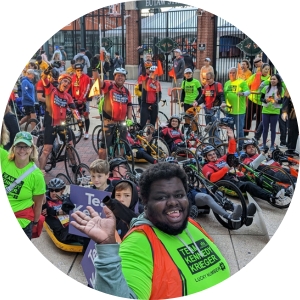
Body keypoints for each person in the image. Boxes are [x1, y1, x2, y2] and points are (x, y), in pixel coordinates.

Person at [71, 163, 231, 298]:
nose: (173, 202)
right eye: (161, 197)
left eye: (179, 195)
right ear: (146, 203)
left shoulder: (191, 224)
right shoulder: (138, 242)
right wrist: (107, 249)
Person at [201, 127, 289, 206]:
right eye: (210, 155)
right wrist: (225, 168)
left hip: (235, 177)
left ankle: (280, 190)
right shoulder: (207, 167)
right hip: (226, 182)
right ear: (206, 157)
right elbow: (212, 178)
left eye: (214, 154)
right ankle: (271, 197)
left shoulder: (221, 159)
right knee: (248, 185)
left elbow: (231, 151)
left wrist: (232, 137)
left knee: (256, 177)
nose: (213, 156)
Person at [1, 132, 45, 239]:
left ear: (31, 149)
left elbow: (38, 204)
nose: (22, 150)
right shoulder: (4, 158)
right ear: (14, 147)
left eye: (26, 147)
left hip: (21, 221)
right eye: (19, 146)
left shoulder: (36, 175)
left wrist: (34, 223)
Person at [38, 68, 83, 172]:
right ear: (60, 81)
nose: (66, 84)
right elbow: (44, 79)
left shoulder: (68, 96)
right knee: (46, 150)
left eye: (68, 82)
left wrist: (79, 120)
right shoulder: (51, 90)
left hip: (62, 124)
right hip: (51, 124)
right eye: (65, 81)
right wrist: (45, 73)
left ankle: (74, 166)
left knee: (70, 146)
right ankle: (40, 172)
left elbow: (74, 109)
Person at [91, 56, 132, 160]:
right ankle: (101, 167)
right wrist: (94, 69)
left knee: (122, 143)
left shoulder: (127, 92)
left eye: (122, 76)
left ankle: (119, 162)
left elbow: (129, 106)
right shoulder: (109, 86)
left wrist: (130, 120)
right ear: (114, 77)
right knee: (104, 146)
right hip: (109, 121)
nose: (120, 77)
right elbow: (97, 81)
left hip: (121, 122)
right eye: (118, 75)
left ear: (125, 78)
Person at [42, 178, 90, 250]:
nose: (54, 193)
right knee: (83, 236)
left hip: (72, 225)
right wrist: (58, 211)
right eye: (51, 190)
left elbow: (74, 206)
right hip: (63, 232)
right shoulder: (46, 201)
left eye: (57, 190)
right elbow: (48, 210)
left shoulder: (65, 199)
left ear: (62, 190)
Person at [223, 67, 250, 150]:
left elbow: (248, 92)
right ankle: (231, 146)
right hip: (229, 111)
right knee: (229, 131)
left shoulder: (242, 82)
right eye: (230, 73)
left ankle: (241, 147)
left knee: (239, 131)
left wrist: (242, 93)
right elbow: (224, 95)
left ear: (237, 73)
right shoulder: (227, 83)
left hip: (239, 111)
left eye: (233, 72)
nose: (231, 74)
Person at [245, 63, 271, 138]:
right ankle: (245, 133)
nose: (266, 70)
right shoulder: (255, 75)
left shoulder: (270, 78)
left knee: (260, 119)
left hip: (262, 102)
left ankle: (257, 135)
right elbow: (246, 83)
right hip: (252, 100)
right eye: (265, 69)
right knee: (248, 117)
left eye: (268, 69)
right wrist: (248, 91)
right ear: (261, 69)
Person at [259, 74, 284, 151]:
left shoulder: (281, 89)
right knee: (265, 128)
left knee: (273, 129)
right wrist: (265, 100)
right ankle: (264, 145)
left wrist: (277, 101)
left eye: (274, 79)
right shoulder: (266, 88)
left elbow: (282, 101)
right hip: (265, 110)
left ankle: (272, 145)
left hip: (275, 111)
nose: (272, 81)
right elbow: (261, 98)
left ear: (278, 80)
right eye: (271, 79)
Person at [197, 71, 224, 137]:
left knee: (215, 127)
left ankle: (217, 144)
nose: (206, 81)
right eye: (205, 79)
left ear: (212, 78)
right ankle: (210, 143)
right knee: (208, 127)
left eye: (208, 79)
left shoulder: (218, 85)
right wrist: (197, 102)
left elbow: (221, 95)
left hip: (214, 109)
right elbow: (203, 97)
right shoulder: (206, 86)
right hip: (207, 109)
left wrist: (223, 102)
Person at [70, 63, 91, 139]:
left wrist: (81, 99)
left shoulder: (86, 78)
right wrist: (71, 98)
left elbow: (86, 89)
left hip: (85, 100)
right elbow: (71, 88)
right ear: (75, 71)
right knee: (78, 116)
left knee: (86, 115)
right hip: (76, 99)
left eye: (81, 70)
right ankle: (81, 130)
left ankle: (87, 132)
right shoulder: (73, 77)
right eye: (78, 70)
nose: (79, 72)